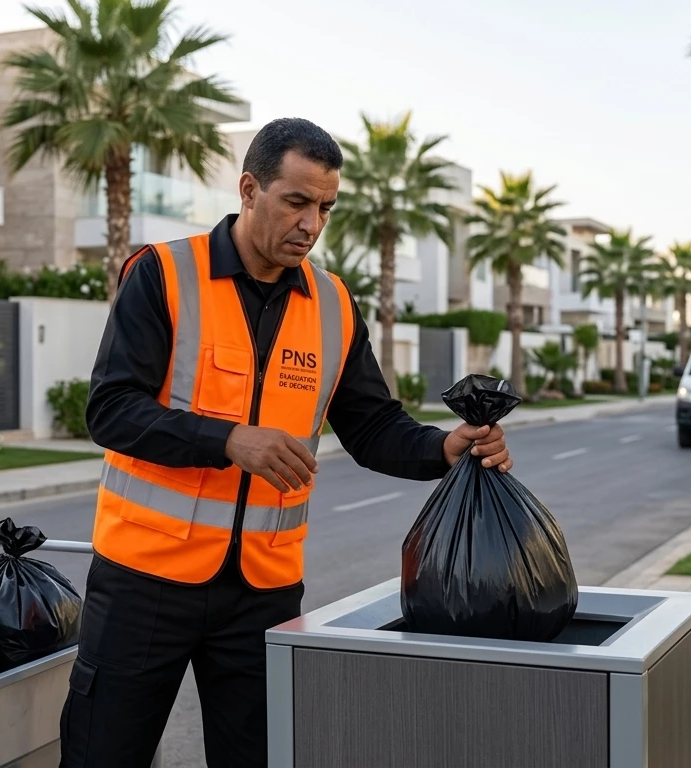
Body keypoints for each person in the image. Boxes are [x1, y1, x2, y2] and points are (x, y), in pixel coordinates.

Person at [61, 117, 513, 768]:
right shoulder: (163, 274)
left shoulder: (332, 304)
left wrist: (447, 449)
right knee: (102, 755)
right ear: (250, 189)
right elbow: (111, 411)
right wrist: (229, 440)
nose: (312, 223)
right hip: (144, 581)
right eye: (296, 201)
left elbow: (372, 424)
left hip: (263, 591)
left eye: (326, 207)